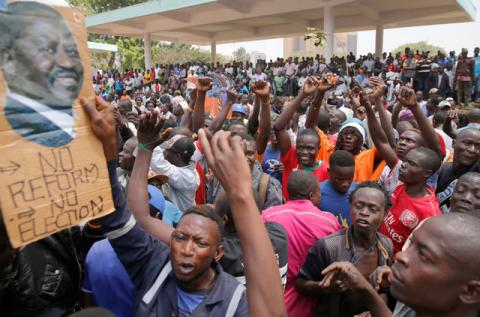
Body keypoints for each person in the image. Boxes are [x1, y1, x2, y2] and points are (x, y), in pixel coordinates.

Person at [80, 97, 286, 316]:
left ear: (218, 253)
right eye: (180, 237)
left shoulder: (233, 302)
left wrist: (240, 195)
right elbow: (135, 218)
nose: (187, 250)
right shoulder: (155, 267)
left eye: (200, 242)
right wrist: (133, 150)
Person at [318, 212, 480, 317]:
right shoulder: (424, 302)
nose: (401, 256)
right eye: (412, 244)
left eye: (424, 255)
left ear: (471, 292)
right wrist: (364, 287)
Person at [296, 182, 393, 317]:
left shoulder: (386, 246)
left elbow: (384, 288)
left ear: (385, 213)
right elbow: (300, 284)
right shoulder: (328, 246)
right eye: (358, 206)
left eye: (373, 209)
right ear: (350, 208)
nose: (364, 212)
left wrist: (374, 310)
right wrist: (325, 287)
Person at [0, 1, 83, 147]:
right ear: (9, 61)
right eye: (48, 50)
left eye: (71, 50)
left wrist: (108, 147)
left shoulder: (84, 124)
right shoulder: (16, 132)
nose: (67, 63)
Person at [261, 170, 341, 317]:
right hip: (313, 300)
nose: (321, 196)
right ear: (311, 195)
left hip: (272, 299)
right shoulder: (329, 222)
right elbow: (335, 261)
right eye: (319, 193)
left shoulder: (267, 216)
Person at [274, 77, 332, 199]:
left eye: (310, 148)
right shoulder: (291, 156)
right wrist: (302, 95)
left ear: (318, 148)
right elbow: (278, 127)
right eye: (300, 147)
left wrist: (320, 94)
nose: (304, 152)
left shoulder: (326, 170)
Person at [380, 147, 442, 255]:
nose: (403, 165)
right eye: (404, 160)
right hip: (379, 248)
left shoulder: (430, 213)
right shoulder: (402, 187)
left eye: (412, 163)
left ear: (426, 173)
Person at [150, 130, 199, 211]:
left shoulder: (187, 177)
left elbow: (157, 163)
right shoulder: (184, 167)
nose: (164, 152)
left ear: (177, 156)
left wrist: (156, 141)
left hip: (179, 220)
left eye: (168, 150)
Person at [436, 128, 480, 213]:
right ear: (453, 143)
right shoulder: (441, 169)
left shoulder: (476, 174)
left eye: (478, 147)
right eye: (467, 143)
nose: (472, 150)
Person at [319, 150, 358, 227]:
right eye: (340, 179)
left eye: (350, 178)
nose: (345, 184)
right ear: (329, 172)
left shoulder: (359, 191)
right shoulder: (318, 193)